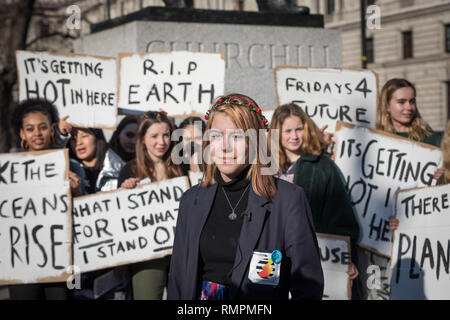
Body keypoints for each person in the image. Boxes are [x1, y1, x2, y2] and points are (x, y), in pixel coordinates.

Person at [167, 94, 324, 300]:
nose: (225, 146)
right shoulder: (191, 200)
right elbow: (178, 281)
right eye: (216, 136)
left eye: (236, 136)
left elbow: (307, 287)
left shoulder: (288, 200)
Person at [360, 78, 443, 300]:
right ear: (386, 106)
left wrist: (443, 176)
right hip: (376, 241)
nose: (409, 107)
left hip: (416, 240)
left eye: (412, 101)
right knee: (376, 295)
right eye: (402, 102)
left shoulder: (432, 140)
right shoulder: (371, 139)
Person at [269, 103, 360, 284]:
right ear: (277, 133)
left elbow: (341, 217)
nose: (294, 136)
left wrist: (344, 258)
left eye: (299, 129)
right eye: (287, 131)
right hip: (273, 256)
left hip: (312, 256)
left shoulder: (323, 166)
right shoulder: (266, 168)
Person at [8, 98, 83, 300]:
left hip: (60, 258)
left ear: (52, 130)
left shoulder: (72, 166)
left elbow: (86, 213)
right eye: (30, 129)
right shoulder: (8, 171)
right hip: (21, 260)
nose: (37, 134)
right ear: (22, 134)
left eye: (42, 128)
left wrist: (76, 192)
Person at [117, 111, 186, 300]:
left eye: (165, 135)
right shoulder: (129, 170)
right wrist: (125, 191)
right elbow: (120, 216)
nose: (161, 142)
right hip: (147, 257)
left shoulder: (183, 166)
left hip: (180, 252)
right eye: (154, 136)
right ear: (142, 139)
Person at [68, 128, 130, 300]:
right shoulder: (65, 171)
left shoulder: (120, 171)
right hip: (79, 266)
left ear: (97, 138)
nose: (78, 142)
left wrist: (123, 259)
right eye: (73, 138)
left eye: (84, 136)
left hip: (112, 266)